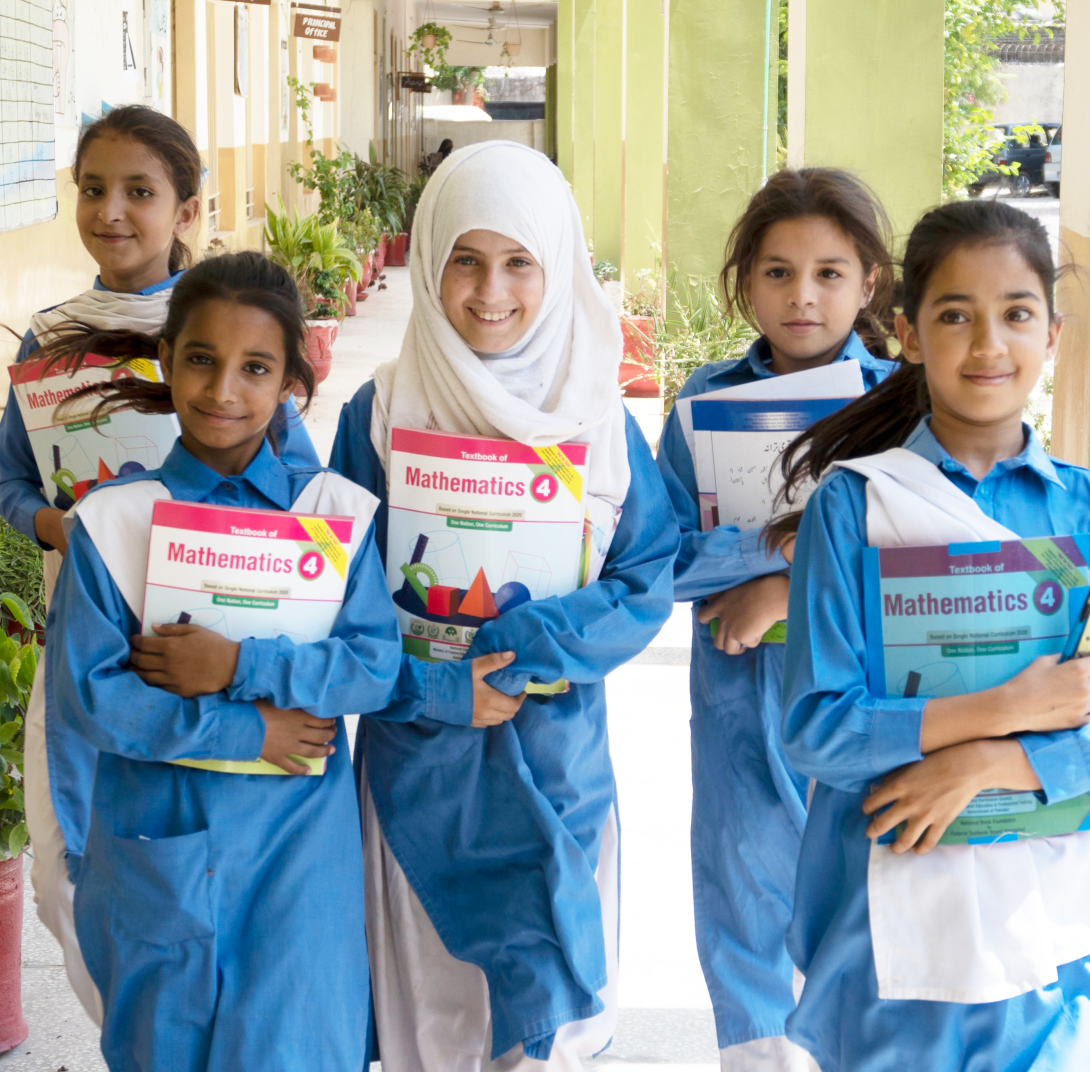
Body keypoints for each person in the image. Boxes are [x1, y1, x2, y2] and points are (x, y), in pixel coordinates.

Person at [45, 251, 514, 1071]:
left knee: (298, 1044)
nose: (224, 389)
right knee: (166, 1046)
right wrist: (247, 731)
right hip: (161, 856)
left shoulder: (333, 516)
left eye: (255, 367)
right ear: (166, 360)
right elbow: (92, 703)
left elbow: (369, 667)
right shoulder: (113, 524)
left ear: (292, 382)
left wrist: (238, 665)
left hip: (300, 862)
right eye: (200, 359)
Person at [328, 141, 679, 1071]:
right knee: (429, 1021)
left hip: (555, 765)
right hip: (419, 772)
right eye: (466, 261)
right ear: (430, 263)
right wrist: (444, 692)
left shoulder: (597, 419)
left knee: (546, 1026)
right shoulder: (379, 415)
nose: (492, 290)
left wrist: (533, 642)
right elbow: (342, 599)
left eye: (520, 261)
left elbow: (646, 578)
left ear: (556, 267)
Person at [3, 106, 320, 1024]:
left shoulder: (232, 323)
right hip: (94, 643)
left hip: (222, 635)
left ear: (186, 205)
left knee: (199, 850)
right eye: (94, 189)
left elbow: (295, 482)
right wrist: (54, 529)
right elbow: (12, 477)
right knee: (82, 859)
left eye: (140, 191)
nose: (112, 211)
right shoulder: (51, 341)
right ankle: (132, 1028)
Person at [779, 199, 1090, 1070]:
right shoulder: (856, 505)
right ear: (910, 337)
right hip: (882, 925)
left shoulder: (1083, 511)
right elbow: (816, 730)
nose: (989, 344)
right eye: (955, 315)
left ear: (1053, 333)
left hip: (1049, 929)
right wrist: (1009, 705)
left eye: (1017, 314)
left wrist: (991, 762)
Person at [654, 168, 896, 1072]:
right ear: (744, 283)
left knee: (867, 905)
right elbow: (663, 559)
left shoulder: (905, 405)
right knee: (745, 906)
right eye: (779, 272)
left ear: (870, 284)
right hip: (738, 710)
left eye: (832, 273)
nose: (804, 296)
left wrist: (785, 587)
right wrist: (785, 542)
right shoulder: (700, 406)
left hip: (863, 706)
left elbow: (920, 573)